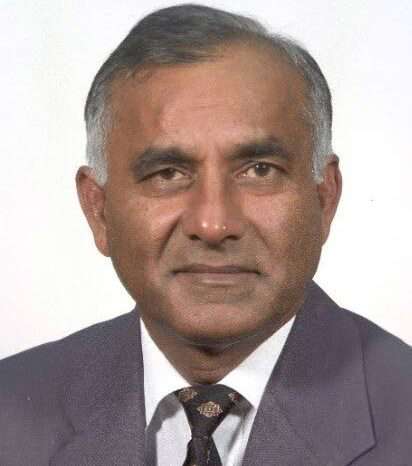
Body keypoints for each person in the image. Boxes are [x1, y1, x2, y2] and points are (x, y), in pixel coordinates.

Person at [1, 4, 411, 465]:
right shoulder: (9, 412)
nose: (213, 225)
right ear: (98, 210)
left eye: (259, 170)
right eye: (167, 173)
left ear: (325, 198)